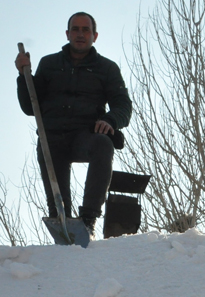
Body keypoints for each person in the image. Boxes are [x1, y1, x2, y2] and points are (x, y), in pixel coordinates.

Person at [15, 12, 132, 233]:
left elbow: (123, 104)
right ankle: (64, 230)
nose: (80, 34)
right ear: (67, 34)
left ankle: (88, 220)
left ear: (94, 36)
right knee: (59, 209)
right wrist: (24, 76)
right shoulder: (49, 64)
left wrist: (110, 120)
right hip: (52, 139)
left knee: (103, 144)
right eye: (76, 29)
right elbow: (31, 106)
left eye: (85, 30)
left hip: (85, 135)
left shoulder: (107, 69)